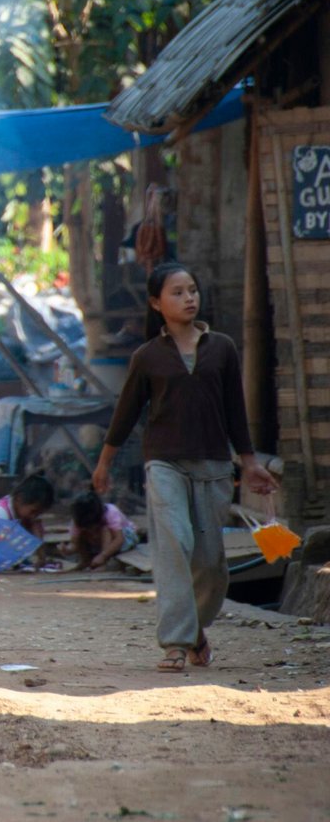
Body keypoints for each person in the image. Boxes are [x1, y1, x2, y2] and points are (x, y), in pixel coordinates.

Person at [94, 261, 277, 673]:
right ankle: (176, 642)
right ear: (156, 303)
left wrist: (249, 463)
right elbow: (125, 414)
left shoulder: (222, 348)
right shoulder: (147, 356)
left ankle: (195, 629)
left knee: (210, 563)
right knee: (175, 543)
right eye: (177, 292)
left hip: (214, 466)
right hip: (164, 463)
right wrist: (104, 464)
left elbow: (235, 411)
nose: (188, 298)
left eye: (192, 290)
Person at [66, 490, 139, 571]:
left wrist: (103, 555)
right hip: (98, 542)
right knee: (82, 533)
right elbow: (74, 542)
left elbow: (119, 539)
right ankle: (85, 560)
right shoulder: (79, 520)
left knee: (105, 529)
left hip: (126, 538)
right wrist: (67, 550)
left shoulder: (110, 512)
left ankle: (105, 563)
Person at [0, 472, 56, 540]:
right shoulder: (0, 515)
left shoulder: (21, 513)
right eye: (33, 511)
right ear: (19, 498)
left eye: (38, 514)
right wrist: (35, 537)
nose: (33, 517)